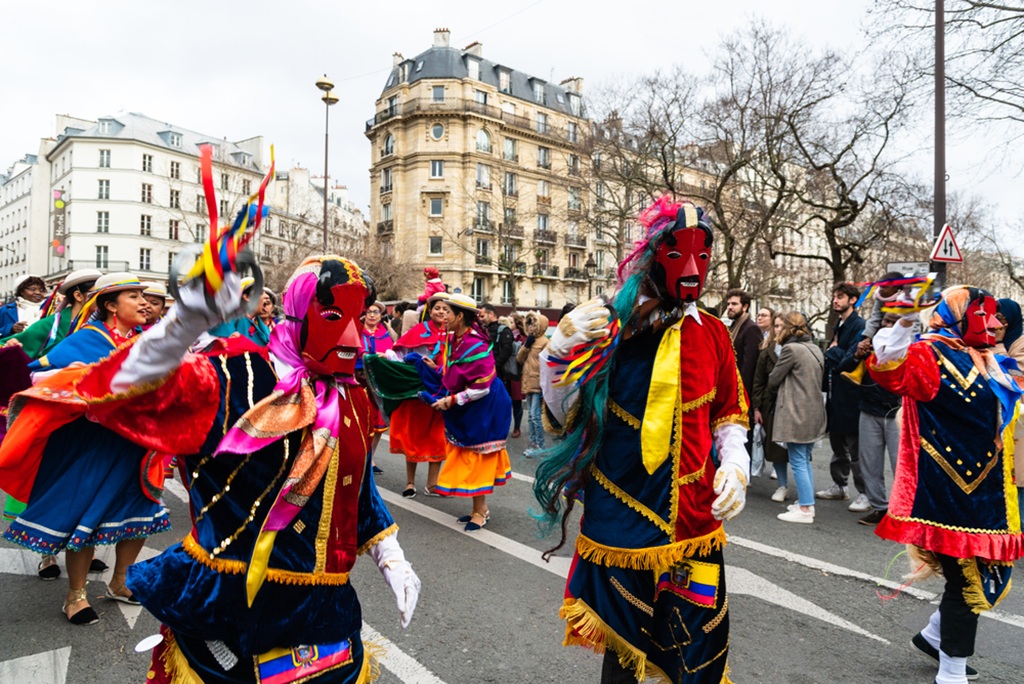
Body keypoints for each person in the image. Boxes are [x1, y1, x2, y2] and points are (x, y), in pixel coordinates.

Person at [44, 256, 421, 679]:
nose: (353, 334)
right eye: (334, 315)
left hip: (326, 615)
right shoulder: (235, 376)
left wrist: (392, 559)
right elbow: (122, 388)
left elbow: (357, 489)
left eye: (359, 316)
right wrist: (180, 329)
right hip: (229, 612)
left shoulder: (352, 398)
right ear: (298, 315)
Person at [534, 197, 750, 683]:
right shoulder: (613, 327)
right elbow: (564, 412)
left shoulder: (715, 333)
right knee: (624, 652)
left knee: (694, 647)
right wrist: (558, 351)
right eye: (677, 255)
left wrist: (736, 465)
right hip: (622, 507)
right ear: (653, 256)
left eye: (704, 255)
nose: (693, 269)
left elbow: (729, 413)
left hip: (694, 516)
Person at [868, 285, 1022, 684]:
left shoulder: (991, 360)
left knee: (993, 579)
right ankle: (951, 671)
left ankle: (935, 634)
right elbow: (886, 366)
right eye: (982, 313)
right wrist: (903, 320)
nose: (991, 324)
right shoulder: (928, 352)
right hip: (949, 494)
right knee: (968, 581)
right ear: (958, 314)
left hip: (991, 495)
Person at [0, 273, 161, 625]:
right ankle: (75, 595)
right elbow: (43, 378)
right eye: (134, 296)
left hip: (136, 446)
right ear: (109, 305)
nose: (144, 302)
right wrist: (85, 381)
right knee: (89, 518)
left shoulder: (144, 341)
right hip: (93, 445)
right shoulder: (86, 339)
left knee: (139, 514)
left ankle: (121, 581)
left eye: (143, 297)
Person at [427, 294, 513, 531]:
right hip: (469, 404)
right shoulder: (456, 339)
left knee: (479, 456)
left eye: (448, 313)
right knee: (468, 455)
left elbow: (482, 386)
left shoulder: (476, 343)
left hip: (486, 406)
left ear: (461, 316)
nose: (444, 316)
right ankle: (479, 508)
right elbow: (457, 371)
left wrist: (452, 400)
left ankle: (480, 511)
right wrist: (435, 368)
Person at [366, 294, 451, 498]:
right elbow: (400, 357)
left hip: (440, 393)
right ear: (429, 311)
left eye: (445, 309)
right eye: (437, 308)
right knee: (411, 436)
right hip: (415, 394)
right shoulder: (419, 332)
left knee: (437, 437)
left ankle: (432, 484)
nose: (441, 312)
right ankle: (410, 482)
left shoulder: (453, 335)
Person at [838, 312, 902, 526]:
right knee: (870, 464)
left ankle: (904, 511)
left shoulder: (907, 347)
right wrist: (856, 354)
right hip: (868, 410)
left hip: (896, 413)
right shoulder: (868, 343)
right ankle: (880, 507)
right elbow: (842, 367)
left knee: (900, 465)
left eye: (894, 323)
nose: (889, 326)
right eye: (886, 321)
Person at [768, 312, 827, 523]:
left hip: (796, 411)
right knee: (804, 459)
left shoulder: (791, 349)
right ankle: (806, 501)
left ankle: (805, 509)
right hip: (814, 412)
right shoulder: (815, 348)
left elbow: (774, 378)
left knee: (798, 460)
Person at [818, 281, 867, 508]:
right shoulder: (840, 323)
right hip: (836, 395)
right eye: (834, 297)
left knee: (855, 447)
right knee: (837, 443)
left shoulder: (859, 325)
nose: (835, 300)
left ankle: (865, 492)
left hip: (852, 395)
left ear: (852, 300)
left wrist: (834, 351)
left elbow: (849, 359)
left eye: (840, 297)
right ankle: (840, 485)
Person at [1, 268, 101, 359]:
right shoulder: (51, 324)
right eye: (96, 293)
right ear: (78, 296)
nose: (103, 298)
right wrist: (10, 343)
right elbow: (5, 344)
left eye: (41, 290)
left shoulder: (106, 322)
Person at [752, 313, 789, 501]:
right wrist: (757, 408)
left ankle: (804, 494)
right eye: (776, 326)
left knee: (797, 452)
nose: (778, 329)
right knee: (776, 449)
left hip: (791, 406)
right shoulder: (767, 352)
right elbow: (758, 382)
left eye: (782, 325)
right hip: (771, 405)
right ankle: (782, 485)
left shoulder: (796, 350)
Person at [202, 276, 270, 347]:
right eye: (260, 293)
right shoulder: (228, 320)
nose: (267, 296)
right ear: (246, 297)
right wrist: (228, 342)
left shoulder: (263, 327)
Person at [517, 311, 549, 457]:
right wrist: (526, 346)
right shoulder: (530, 341)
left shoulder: (545, 342)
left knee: (536, 416)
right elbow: (519, 358)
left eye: (533, 324)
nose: (530, 327)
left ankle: (540, 445)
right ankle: (533, 443)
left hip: (538, 383)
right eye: (528, 324)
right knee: (530, 416)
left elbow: (547, 364)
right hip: (528, 380)